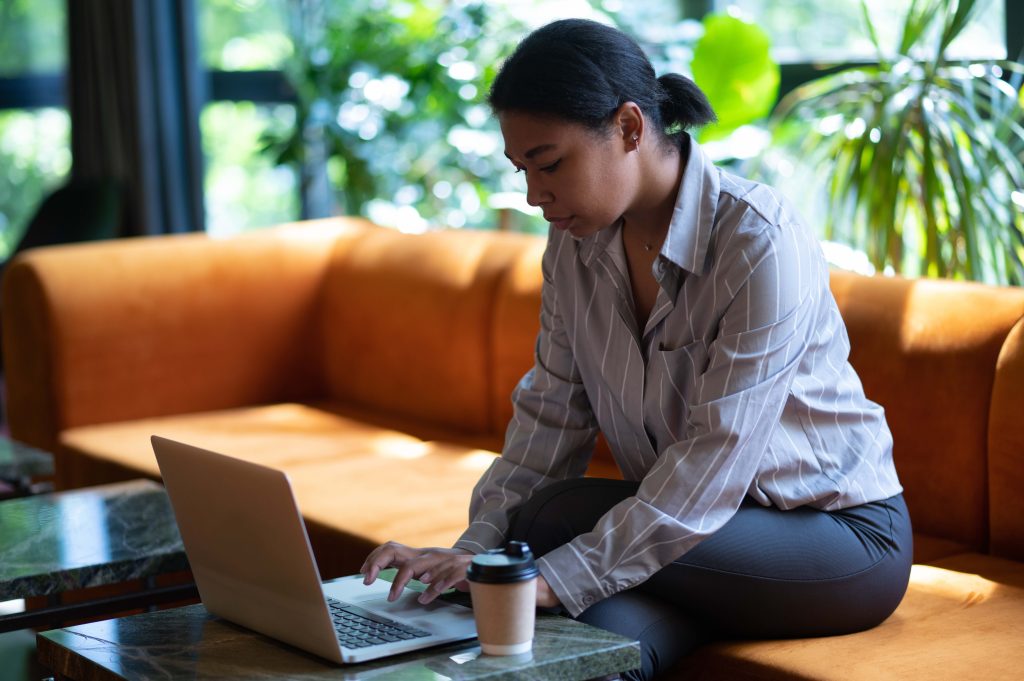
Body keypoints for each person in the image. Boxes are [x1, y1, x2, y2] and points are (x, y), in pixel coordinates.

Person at [361, 18, 911, 680]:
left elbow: (715, 459)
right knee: (589, 655)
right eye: (521, 170)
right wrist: (470, 555)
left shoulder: (757, 239)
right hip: (695, 543)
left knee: (555, 516)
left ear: (628, 128)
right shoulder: (574, 246)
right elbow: (549, 419)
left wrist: (536, 573)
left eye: (550, 163)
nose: (535, 197)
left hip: (836, 540)